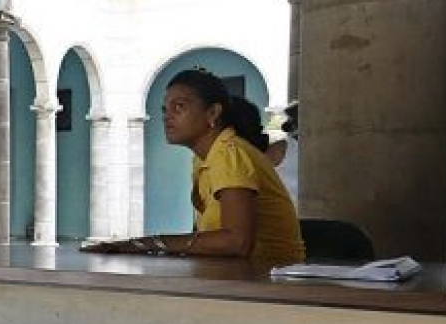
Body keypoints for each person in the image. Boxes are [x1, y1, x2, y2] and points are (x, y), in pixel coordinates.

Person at [82, 69, 304, 263]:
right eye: (164, 109)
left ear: (213, 113)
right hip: (237, 278)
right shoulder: (204, 158)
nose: (167, 116)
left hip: (271, 283)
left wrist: (148, 243)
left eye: (179, 107)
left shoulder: (229, 153)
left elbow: (237, 242)